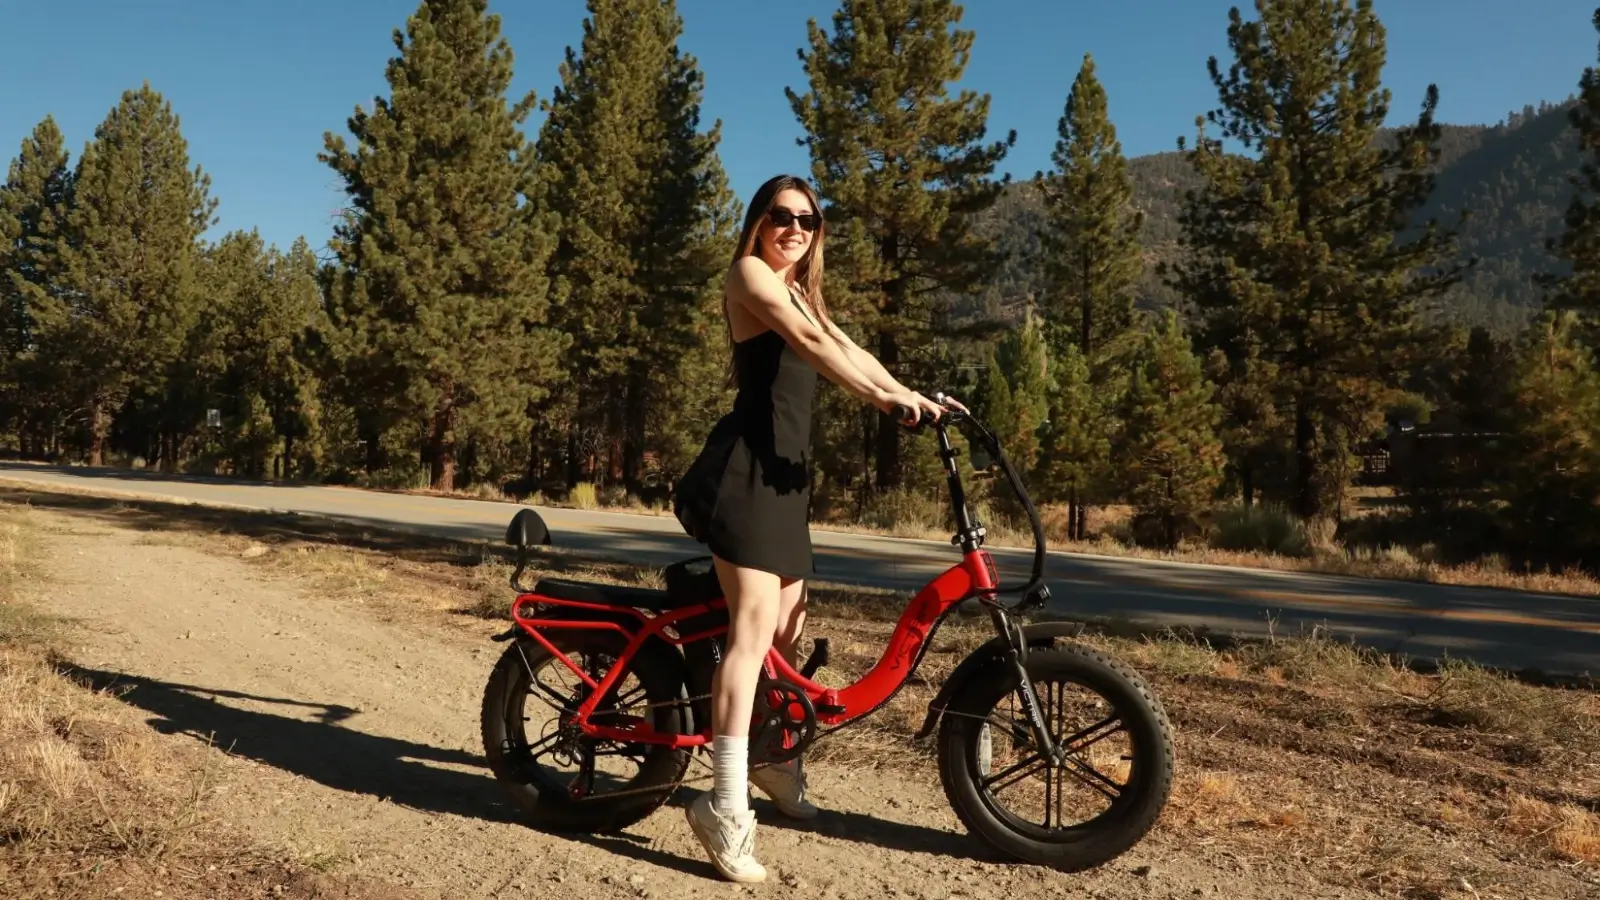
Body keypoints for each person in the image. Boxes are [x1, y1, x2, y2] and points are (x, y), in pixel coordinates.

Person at [672, 174, 963, 883]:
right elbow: (812, 345)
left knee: (787, 630)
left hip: (784, 478)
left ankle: (769, 759)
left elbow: (848, 347)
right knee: (751, 631)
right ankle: (723, 805)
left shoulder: (802, 290)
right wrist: (882, 403)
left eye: (808, 219)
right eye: (781, 216)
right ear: (758, 222)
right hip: (743, 472)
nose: (795, 227)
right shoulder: (750, 275)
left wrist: (908, 395)